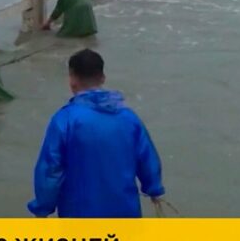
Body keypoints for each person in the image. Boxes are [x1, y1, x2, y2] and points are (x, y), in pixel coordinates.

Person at [27, 49, 165, 219]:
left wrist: (42, 207)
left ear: (72, 79)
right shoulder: (129, 118)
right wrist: (153, 189)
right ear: (102, 78)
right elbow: (147, 158)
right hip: (125, 214)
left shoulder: (65, 120)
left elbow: (50, 169)